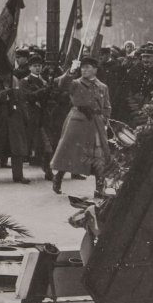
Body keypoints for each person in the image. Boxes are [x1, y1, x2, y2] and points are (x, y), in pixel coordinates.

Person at [50, 55, 112, 197]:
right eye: (82, 67)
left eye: (88, 67)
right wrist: (70, 72)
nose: (84, 70)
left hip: (96, 123)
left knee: (99, 155)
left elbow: (107, 105)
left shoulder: (102, 86)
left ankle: (99, 187)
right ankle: (58, 177)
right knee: (69, 152)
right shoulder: (75, 83)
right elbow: (62, 85)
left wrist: (105, 119)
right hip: (78, 121)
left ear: (95, 69)